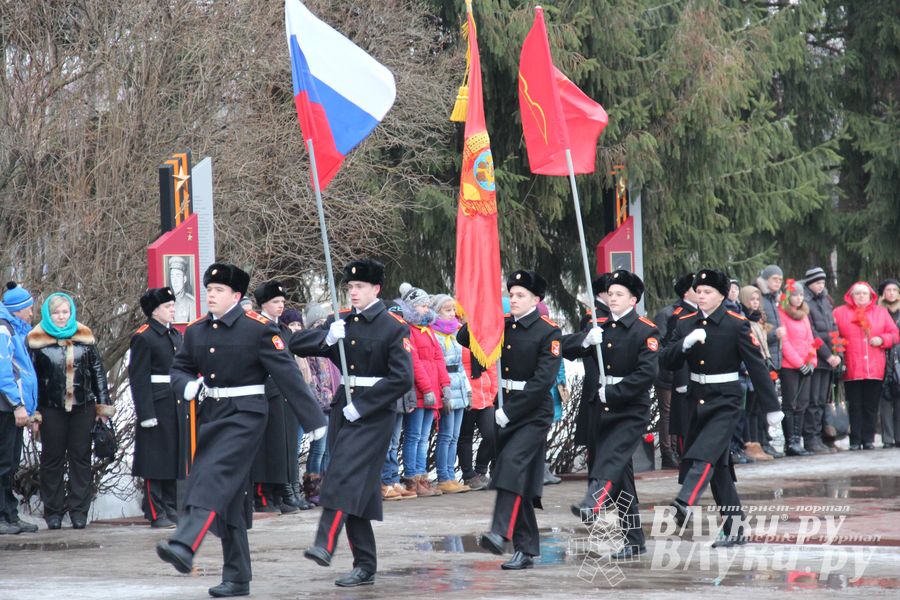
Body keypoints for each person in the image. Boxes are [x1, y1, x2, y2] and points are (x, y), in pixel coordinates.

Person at [156, 263, 326, 598]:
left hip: (247, 415)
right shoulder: (197, 331)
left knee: (211, 474)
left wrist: (314, 420)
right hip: (213, 414)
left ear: (236, 295)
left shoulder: (258, 329)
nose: (211, 296)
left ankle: (185, 543)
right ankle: (237, 577)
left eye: (218, 291)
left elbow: (287, 373)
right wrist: (186, 385)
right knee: (231, 497)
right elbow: (180, 368)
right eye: (209, 290)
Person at [292, 258, 414, 588]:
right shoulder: (342, 323)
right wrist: (328, 340)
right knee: (356, 492)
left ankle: (324, 543)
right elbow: (294, 344)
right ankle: (365, 565)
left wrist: (363, 406)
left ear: (376, 289)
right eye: (350, 287)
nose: (354, 292)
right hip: (343, 411)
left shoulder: (393, 326)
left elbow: (402, 378)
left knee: (341, 476)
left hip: (373, 416)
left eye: (359, 287)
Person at [661, 269, 781, 547]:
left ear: (721, 295)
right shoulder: (685, 323)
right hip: (696, 400)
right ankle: (736, 530)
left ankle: (684, 501)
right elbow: (666, 360)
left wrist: (771, 407)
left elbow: (756, 366)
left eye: (707, 292)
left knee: (704, 455)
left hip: (725, 400)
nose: (701, 296)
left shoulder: (735, 323)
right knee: (720, 470)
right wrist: (683, 345)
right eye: (698, 291)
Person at [461, 269, 561, 570]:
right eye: (511, 294)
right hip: (502, 404)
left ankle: (499, 532)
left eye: (520, 295)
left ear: (535, 299)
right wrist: (481, 312)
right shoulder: (501, 325)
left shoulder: (549, 331)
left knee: (510, 465)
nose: (513, 300)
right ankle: (526, 549)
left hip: (531, 412)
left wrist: (510, 411)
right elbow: (464, 337)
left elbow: (543, 381)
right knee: (517, 478)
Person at [564, 270, 660, 559]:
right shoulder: (601, 327)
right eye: (610, 293)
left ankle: (592, 502)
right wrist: (584, 341)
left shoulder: (646, 330)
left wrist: (615, 392)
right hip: (601, 410)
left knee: (611, 459)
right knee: (621, 481)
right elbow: (564, 349)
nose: (612, 298)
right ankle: (634, 539)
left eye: (619, 294)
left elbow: (647, 374)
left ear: (633, 299)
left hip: (629, 410)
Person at [28, 292, 115, 530]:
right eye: (56, 312)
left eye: (65, 312)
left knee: (81, 459)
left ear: (72, 313)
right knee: (52, 459)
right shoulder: (36, 340)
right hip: (50, 408)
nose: (61, 317)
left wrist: (102, 405)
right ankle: (53, 512)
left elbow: (97, 372)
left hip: (83, 408)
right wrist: (33, 412)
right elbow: (30, 379)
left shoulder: (84, 337)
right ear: (47, 314)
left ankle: (79, 511)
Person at [250, 280, 308, 514]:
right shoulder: (255, 327)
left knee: (285, 446)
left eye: (283, 301)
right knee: (268, 447)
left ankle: (282, 492)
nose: (280, 306)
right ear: (264, 304)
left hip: (285, 393)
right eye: (276, 301)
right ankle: (264, 495)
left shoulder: (283, 331)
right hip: (265, 391)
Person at [129, 287, 185, 528]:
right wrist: (146, 413)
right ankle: (155, 510)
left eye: (173, 305)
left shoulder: (175, 334)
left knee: (173, 457)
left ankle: (171, 508)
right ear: (154, 310)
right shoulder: (144, 336)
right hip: (156, 403)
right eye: (167, 306)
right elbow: (139, 377)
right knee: (155, 459)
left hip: (175, 402)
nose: (172, 309)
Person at [397, 282, 449, 498]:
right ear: (411, 307)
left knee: (424, 435)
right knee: (414, 435)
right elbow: (414, 362)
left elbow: (439, 359)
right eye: (422, 306)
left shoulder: (427, 330)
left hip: (433, 392)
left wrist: (444, 385)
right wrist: (427, 388)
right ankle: (412, 477)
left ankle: (422, 476)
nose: (427, 309)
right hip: (420, 391)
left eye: (428, 306)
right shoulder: (409, 330)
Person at [832, 281, 899, 450]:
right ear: (851, 296)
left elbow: (895, 334)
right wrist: (839, 347)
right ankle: (855, 440)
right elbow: (832, 334)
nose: (861, 296)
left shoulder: (881, 312)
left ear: (871, 296)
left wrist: (882, 339)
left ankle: (868, 440)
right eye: (858, 293)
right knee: (855, 406)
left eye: (864, 293)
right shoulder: (840, 313)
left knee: (871, 406)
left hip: (875, 367)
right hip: (852, 366)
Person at [430, 293, 472, 493]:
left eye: (453, 309)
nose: (452, 313)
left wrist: (468, 390)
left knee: (455, 435)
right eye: (447, 310)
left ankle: (451, 476)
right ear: (437, 312)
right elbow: (437, 366)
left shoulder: (455, 334)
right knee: (445, 435)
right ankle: (443, 477)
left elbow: (461, 365)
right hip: (446, 388)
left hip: (459, 387)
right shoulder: (435, 335)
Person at [655, 273, 696, 469]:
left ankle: (682, 449)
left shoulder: (698, 313)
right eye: (697, 288)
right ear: (687, 292)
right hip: (670, 373)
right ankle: (667, 452)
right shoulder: (672, 314)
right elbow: (663, 346)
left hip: (690, 372)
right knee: (668, 413)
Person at [0, 289, 32, 535]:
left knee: (10, 463)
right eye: (28, 308)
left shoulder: (13, 328)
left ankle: (10, 514)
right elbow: (4, 372)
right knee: (3, 463)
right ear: (17, 310)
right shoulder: (3, 328)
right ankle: (3, 516)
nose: (32, 312)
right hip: (5, 407)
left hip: (10, 407)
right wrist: (17, 404)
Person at [803, 267, 841, 453]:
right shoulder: (806, 301)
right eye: (818, 282)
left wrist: (837, 353)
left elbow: (833, 327)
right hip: (816, 358)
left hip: (830, 359)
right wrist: (827, 355)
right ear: (810, 283)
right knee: (813, 400)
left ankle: (821, 437)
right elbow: (813, 332)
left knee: (821, 401)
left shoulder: (825, 301)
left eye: (823, 282)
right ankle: (811, 439)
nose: (821, 285)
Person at [778, 279, 817, 456]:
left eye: (801, 295)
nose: (798, 298)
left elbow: (810, 340)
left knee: (802, 403)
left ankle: (797, 439)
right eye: (794, 295)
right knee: (790, 403)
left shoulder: (804, 314)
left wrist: (811, 362)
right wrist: (798, 363)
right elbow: (784, 342)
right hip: (790, 366)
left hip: (805, 365)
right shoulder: (782, 314)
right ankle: (790, 442)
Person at [458, 321, 498, 491]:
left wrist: (492, 392)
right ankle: (468, 475)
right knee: (465, 437)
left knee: (492, 434)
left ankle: (481, 469)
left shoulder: (484, 345)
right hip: (467, 397)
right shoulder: (458, 343)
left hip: (485, 398)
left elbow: (491, 370)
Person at [738, 285, 775, 461]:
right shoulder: (743, 320)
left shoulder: (758, 320)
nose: (754, 303)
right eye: (751, 299)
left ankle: (757, 443)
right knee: (747, 410)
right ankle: (748, 443)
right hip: (748, 370)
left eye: (757, 299)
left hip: (760, 367)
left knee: (755, 410)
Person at [758, 265, 786, 458]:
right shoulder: (761, 298)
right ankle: (761, 441)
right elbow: (757, 329)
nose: (778, 282)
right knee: (763, 403)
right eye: (774, 278)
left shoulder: (773, 299)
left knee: (769, 402)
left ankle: (767, 440)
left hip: (775, 356)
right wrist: (774, 334)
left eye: (780, 280)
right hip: (765, 356)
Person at [877, 278, 900, 448]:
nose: (891, 293)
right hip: (883, 355)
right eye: (888, 290)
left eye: (894, 290)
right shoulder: (878, 311)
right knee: (884, 397)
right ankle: (887, 438)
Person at [169, 256, 196, 323]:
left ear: (184, 279)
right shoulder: (166, 302)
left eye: (178, 276)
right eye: (172, 276)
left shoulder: (192, 303)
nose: (174, 281)